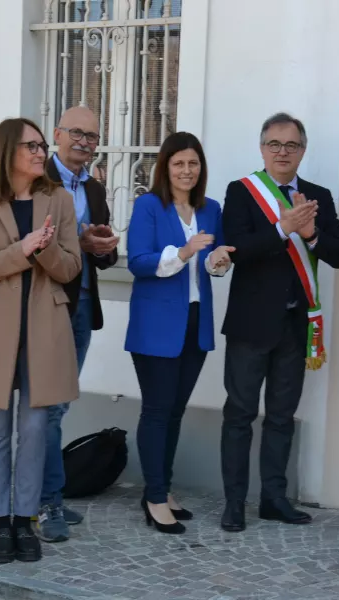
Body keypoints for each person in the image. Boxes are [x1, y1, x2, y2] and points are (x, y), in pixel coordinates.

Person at [0, 118, 81, 564]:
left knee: (35, 428)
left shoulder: (58, 199)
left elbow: (70, 268)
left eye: (43, 144)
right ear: (7, 149)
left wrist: (42, 249)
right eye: (32, 145)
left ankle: (25, 520)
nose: (41, 151)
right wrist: (21, 251)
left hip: (43, 328)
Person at [220, 112, 339, 532]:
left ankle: (273, 498)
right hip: (250, 326)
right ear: (262, 148)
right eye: (274, 144)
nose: (282, 152)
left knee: (280, 416)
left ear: (302, 151)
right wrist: (282, 229)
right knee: (240, 415)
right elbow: (236, 248)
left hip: (297, 327)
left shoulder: (318, 195)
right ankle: (234, 503)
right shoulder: (242, 192)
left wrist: (310, 233)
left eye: (290, 145)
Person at [125, 132, 233, 534]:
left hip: (195, 321)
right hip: (156, 325)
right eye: (178, 163)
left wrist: (218, 261)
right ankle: (153, 497)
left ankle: (161, 487)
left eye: (193, 163)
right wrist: (184, 253)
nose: (187, 171)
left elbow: (211, 268)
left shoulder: (211, 209)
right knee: (156, 410)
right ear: (165, 168)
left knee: (174, 411)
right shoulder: (149, 206)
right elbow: (138, 262)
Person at [38, 106, 119, 543]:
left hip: (83, 305)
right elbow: (33, 242)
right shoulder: (36, 180)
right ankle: (46, 499)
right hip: (47, 305)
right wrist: (79, 242)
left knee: (61, 404)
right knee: (46, 408)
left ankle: (43, 492)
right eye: (76, 133)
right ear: (57, 134)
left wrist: (105, 248)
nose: (84, 142)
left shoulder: (96, 187)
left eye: (92, 135)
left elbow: (98, 255)